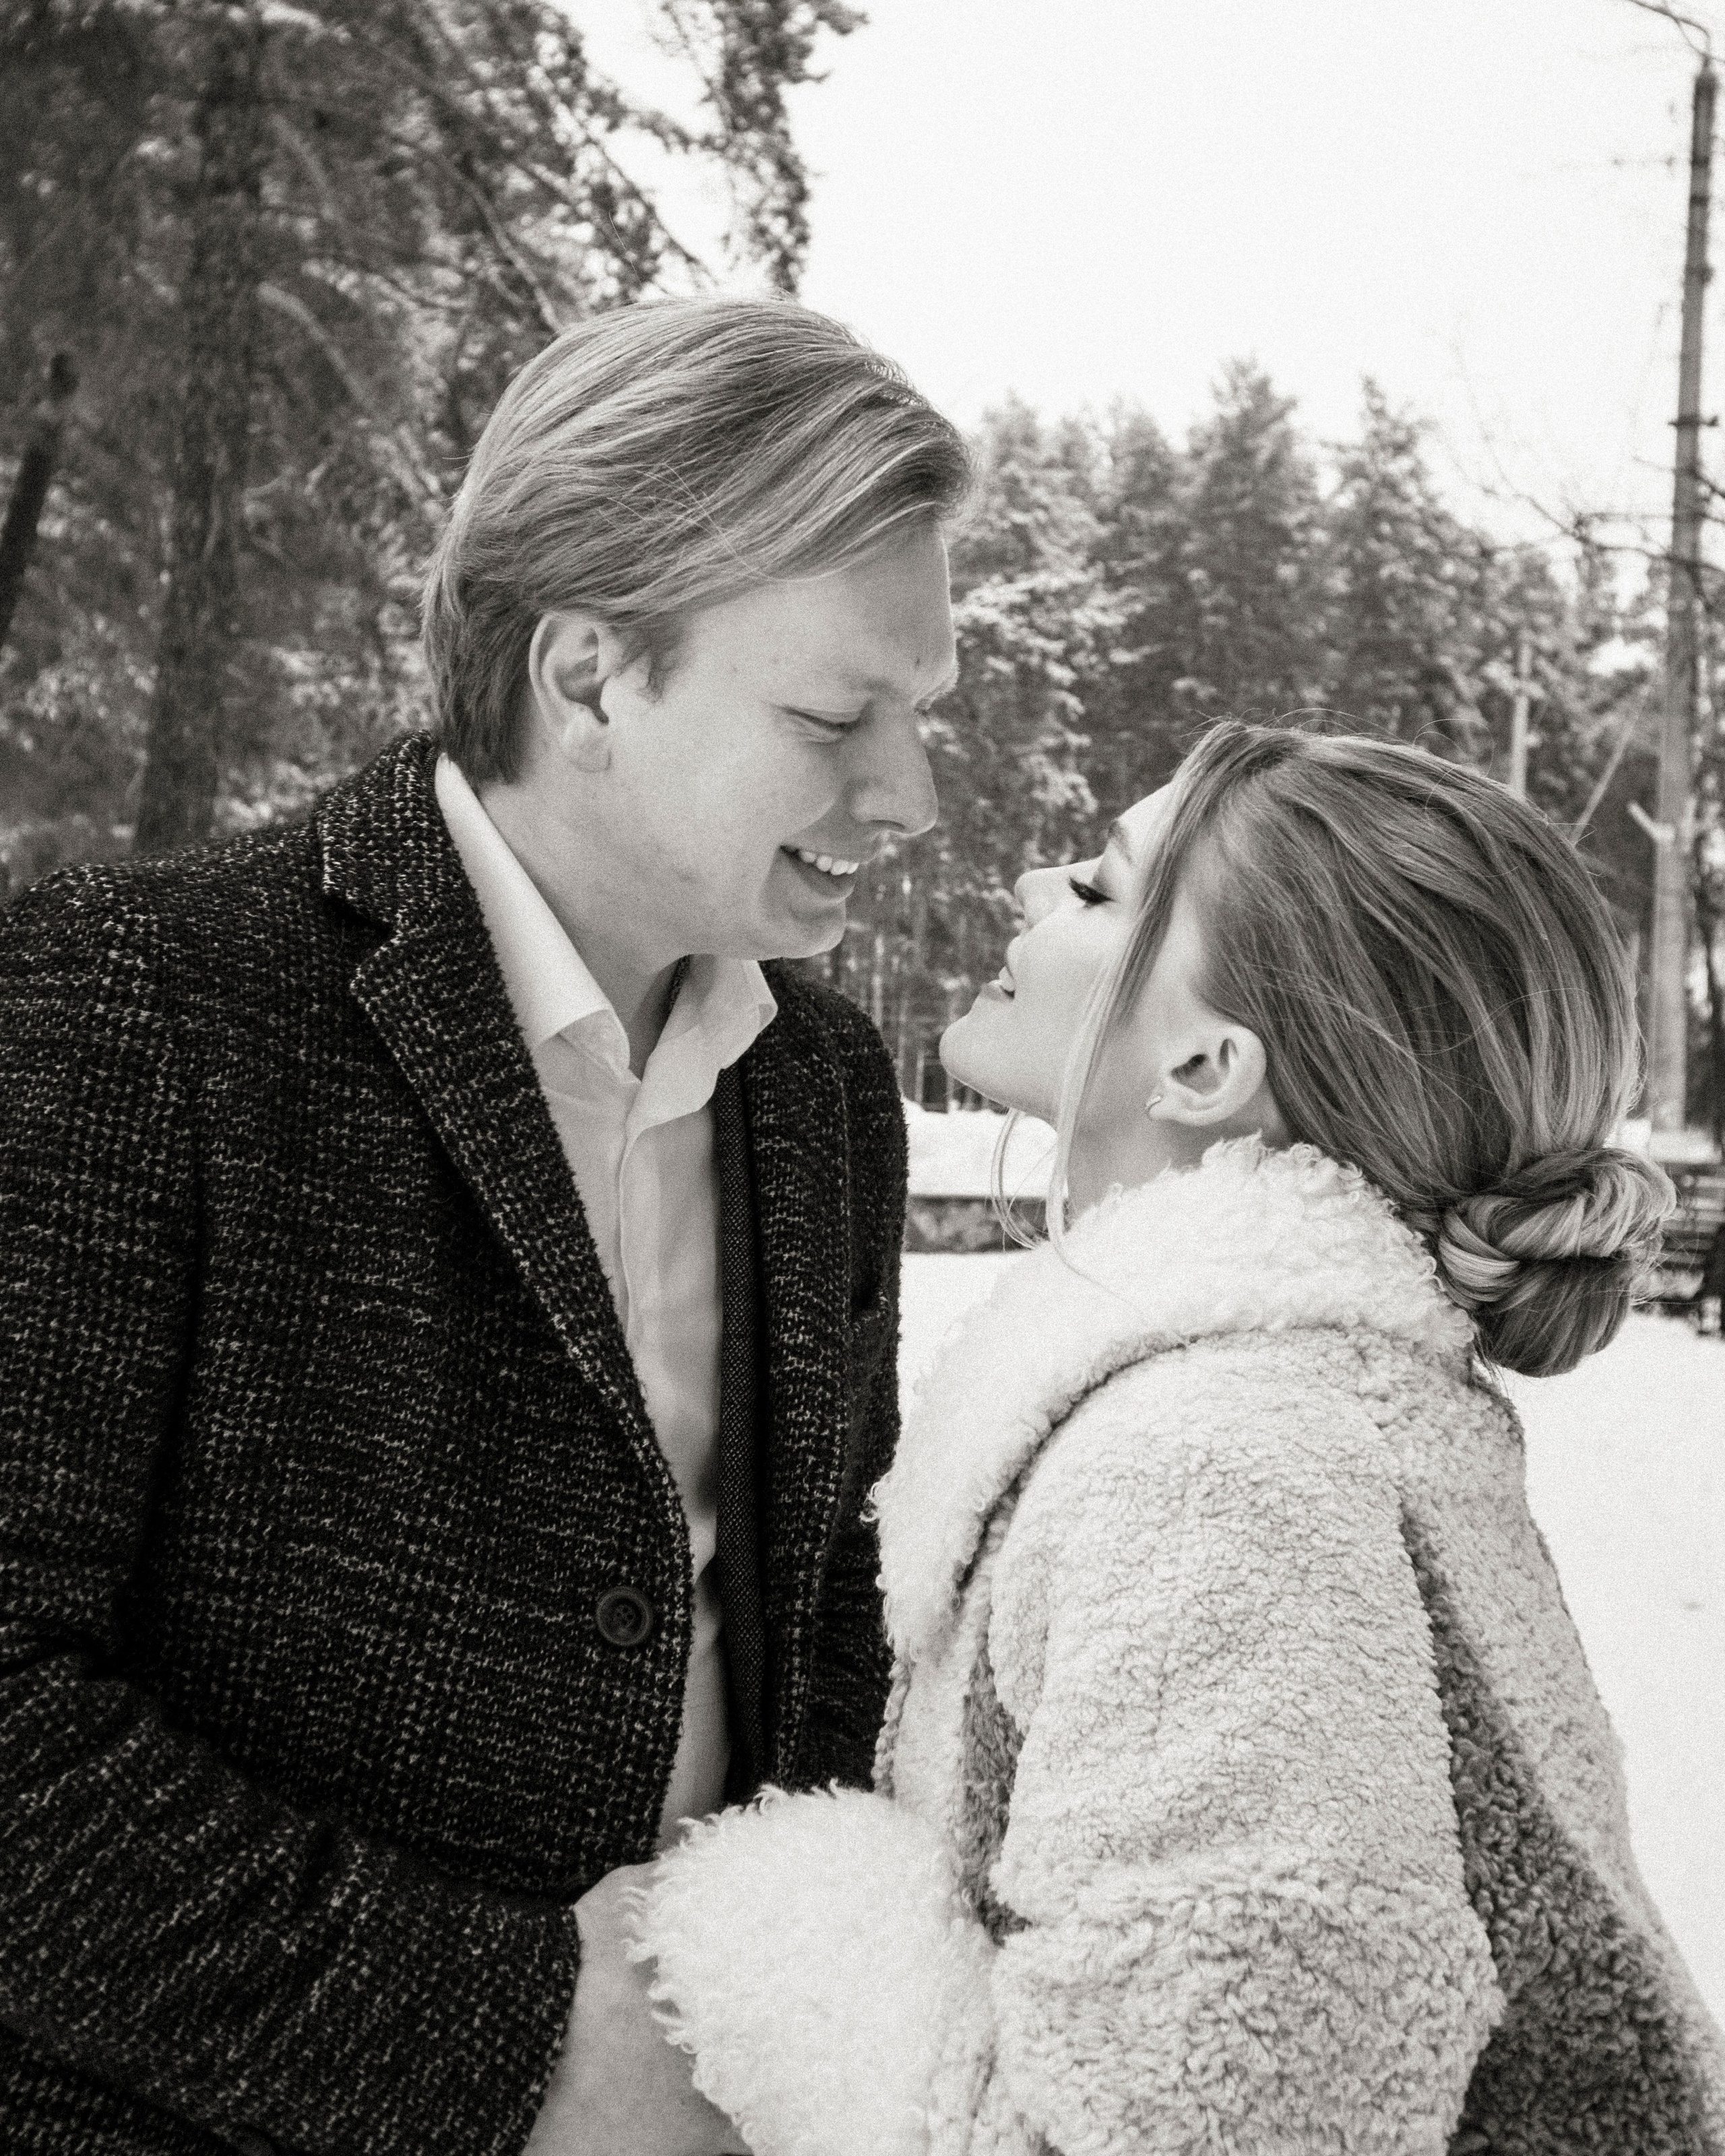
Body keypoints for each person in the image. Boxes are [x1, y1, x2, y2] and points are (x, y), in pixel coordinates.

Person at [0, 298, 966, 2156]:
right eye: (842, 715)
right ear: (592, 675)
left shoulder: (824, 1088)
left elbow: (812, 1613)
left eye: (921, 715)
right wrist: (511, 2043)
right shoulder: (126, 1012)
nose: (910, 795)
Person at [629, 721, 1725, 2156]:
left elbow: (1216, 2111)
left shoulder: (1220, 1468)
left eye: (1094, 888)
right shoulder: (1292, 1405)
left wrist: (754, 1924)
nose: (1030, 881)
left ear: (1205, 1064)